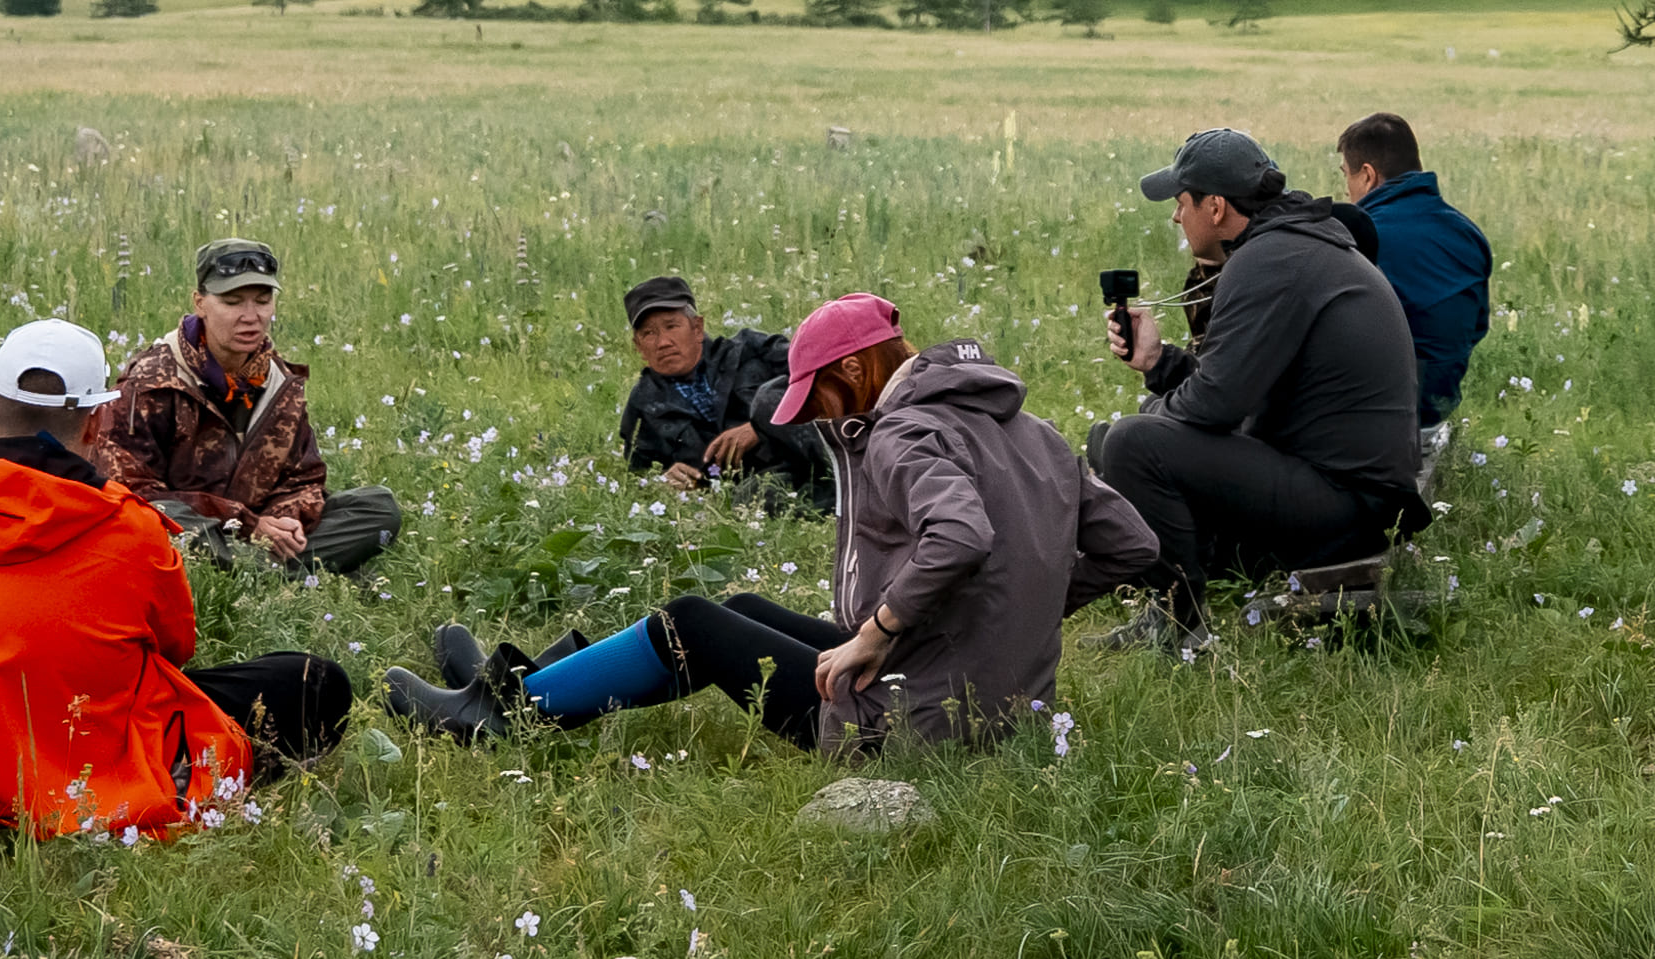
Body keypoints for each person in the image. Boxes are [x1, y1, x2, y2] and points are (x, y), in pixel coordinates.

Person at [387, 293, 1155, 747]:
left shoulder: (903, 431)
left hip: (915, 723)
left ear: (855, 371)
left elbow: (959, 535)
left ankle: (499, 717)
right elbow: (1131, 543)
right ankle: (523, 687)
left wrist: (881, 628)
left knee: (691, 620)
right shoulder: (1037, 433)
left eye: (815, 397)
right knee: (743, 612)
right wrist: (1012, 612)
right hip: (997, 700)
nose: (813, 421)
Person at [0, 319, 353, 836]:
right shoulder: (129, 528)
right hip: (68, 765)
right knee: (313, 684)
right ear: (95, 425)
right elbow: (174, 650)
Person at [1085, 129, 1425, 627]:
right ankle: (1188, 565)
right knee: (1113, 442)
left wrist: (1154, 414)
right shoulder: (1291, 246)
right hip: (1350, 491)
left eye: (1182, 203)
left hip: (1350, 506)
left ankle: (1175, 622)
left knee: (1132, 444)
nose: (1177, 217)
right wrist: (1160, 365)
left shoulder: (1266, 260)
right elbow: (1236, 390)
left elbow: (1215, 407)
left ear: (1216, 207)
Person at [102, 238, 404, 573]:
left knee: (379, 508)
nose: (251, 317)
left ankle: (258, 573)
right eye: (232, 302)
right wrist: (245, 522)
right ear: (200, 303)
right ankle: (276, 576)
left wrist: (283, 521)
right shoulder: (152, 380)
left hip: (258, 531)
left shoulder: (280, 382)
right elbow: (130, 492)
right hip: (197, 531)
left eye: (263, 301)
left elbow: (304, 479)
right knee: (163, 518)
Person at [1332, 113, 1491, 424]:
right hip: (1440, 402)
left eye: (1346, 176)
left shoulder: (1362, 237)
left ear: (1367, 175)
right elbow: (1477, 327)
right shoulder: (1468, 233)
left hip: (1384, 416)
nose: (1346, 190)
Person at [612, 276, 826, 498]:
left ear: (697, 328)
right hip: (749, 498)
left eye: (671, 326)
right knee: (756, 496)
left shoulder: (752, 351)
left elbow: (823, 376)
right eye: (649, 334)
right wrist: (663, 480)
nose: (663, 342)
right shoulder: (644, 403)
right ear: (638, 346)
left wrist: (762, 426)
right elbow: (638, 477)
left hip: (810, 460)